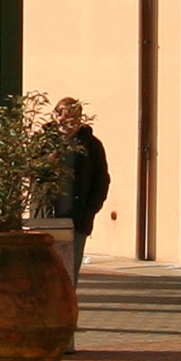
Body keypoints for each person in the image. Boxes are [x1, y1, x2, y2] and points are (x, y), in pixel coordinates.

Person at [50, 96, 111, 274]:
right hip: (46, 217)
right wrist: (47, 161)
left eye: (75, 118)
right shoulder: (43, 141)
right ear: (55, 116)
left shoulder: (91, 145)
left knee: (69, 272)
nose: (70, 123)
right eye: (66, 117)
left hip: (77, 218)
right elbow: (29, 170)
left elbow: (102, 179)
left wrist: (91, 207)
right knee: (45, 270)